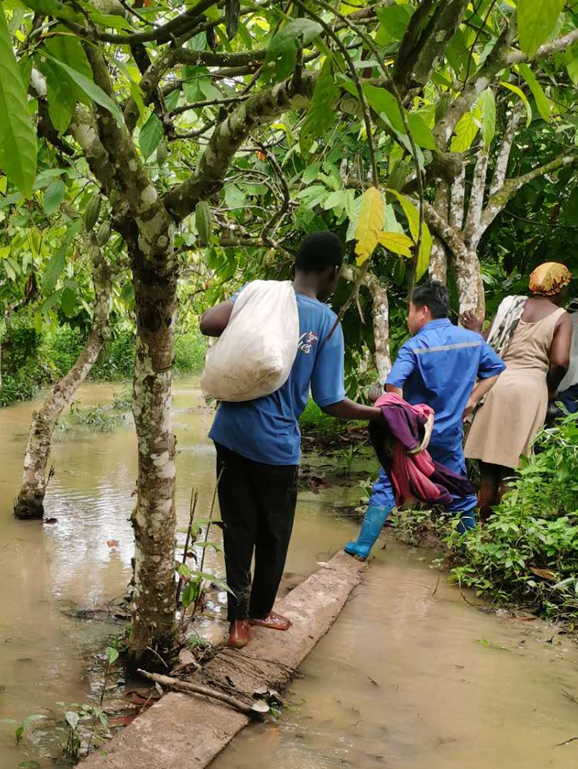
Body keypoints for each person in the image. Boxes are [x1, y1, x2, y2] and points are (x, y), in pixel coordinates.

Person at [200, 230, 381, 650]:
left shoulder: (260, 294)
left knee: (237, 529)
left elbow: (208, 322)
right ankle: (260, 612)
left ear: (294, 265)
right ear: (332, 273)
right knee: (273, 533)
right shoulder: (326, 322)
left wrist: (247, 301)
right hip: (275, 447)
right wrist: (378, 413)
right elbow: (330, 401)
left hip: (229, 433)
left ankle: (236, 623)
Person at [345, 279, 505, 559]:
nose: (408, 318)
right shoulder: (472, 340)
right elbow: (494, 369)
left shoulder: (415, 346)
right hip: (449, 433)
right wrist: (472, 399)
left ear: (424, 311)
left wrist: (400, 417)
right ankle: (471, 555)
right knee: (459, 489)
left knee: (388, 483)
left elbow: (393, 385)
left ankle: (362, 546)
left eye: (410, 310)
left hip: (415, 435)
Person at [462, 263, 572, 520]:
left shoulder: (510, 305)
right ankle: (505, 531)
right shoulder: (561, 317)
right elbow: (560, 362)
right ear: (559, 288)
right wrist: (551, 389)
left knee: (488, 465)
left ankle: (481, 527)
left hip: (495, 385)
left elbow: (489, 344)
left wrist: (477, 331)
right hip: (528, 391)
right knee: (512, 468)